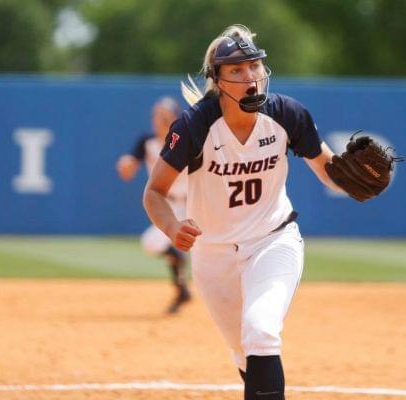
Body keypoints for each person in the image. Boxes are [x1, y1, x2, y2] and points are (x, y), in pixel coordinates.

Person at [143, 25, 348, 399]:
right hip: (214, 253)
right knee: (243, 350)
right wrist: (172, 227)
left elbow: (330, 173)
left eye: (254, 66)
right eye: (236, 70)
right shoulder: (194, 125)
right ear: (217, 80)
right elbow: (154, 192)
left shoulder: (287, 113)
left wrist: (354, 177)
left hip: (273, 240)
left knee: (261, 330)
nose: (249, 77)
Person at [116, 96, 191, 314]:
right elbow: (130, 165)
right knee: (151, 243)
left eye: (165, 117)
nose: (159, 121)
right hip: (169, 207)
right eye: (156, 116)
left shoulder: (187, 139)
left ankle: (184, 287)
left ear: (176, 119)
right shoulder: (147, 142)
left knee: (220, 250)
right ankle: (182, 286)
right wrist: (127, 164)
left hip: (195, 204)